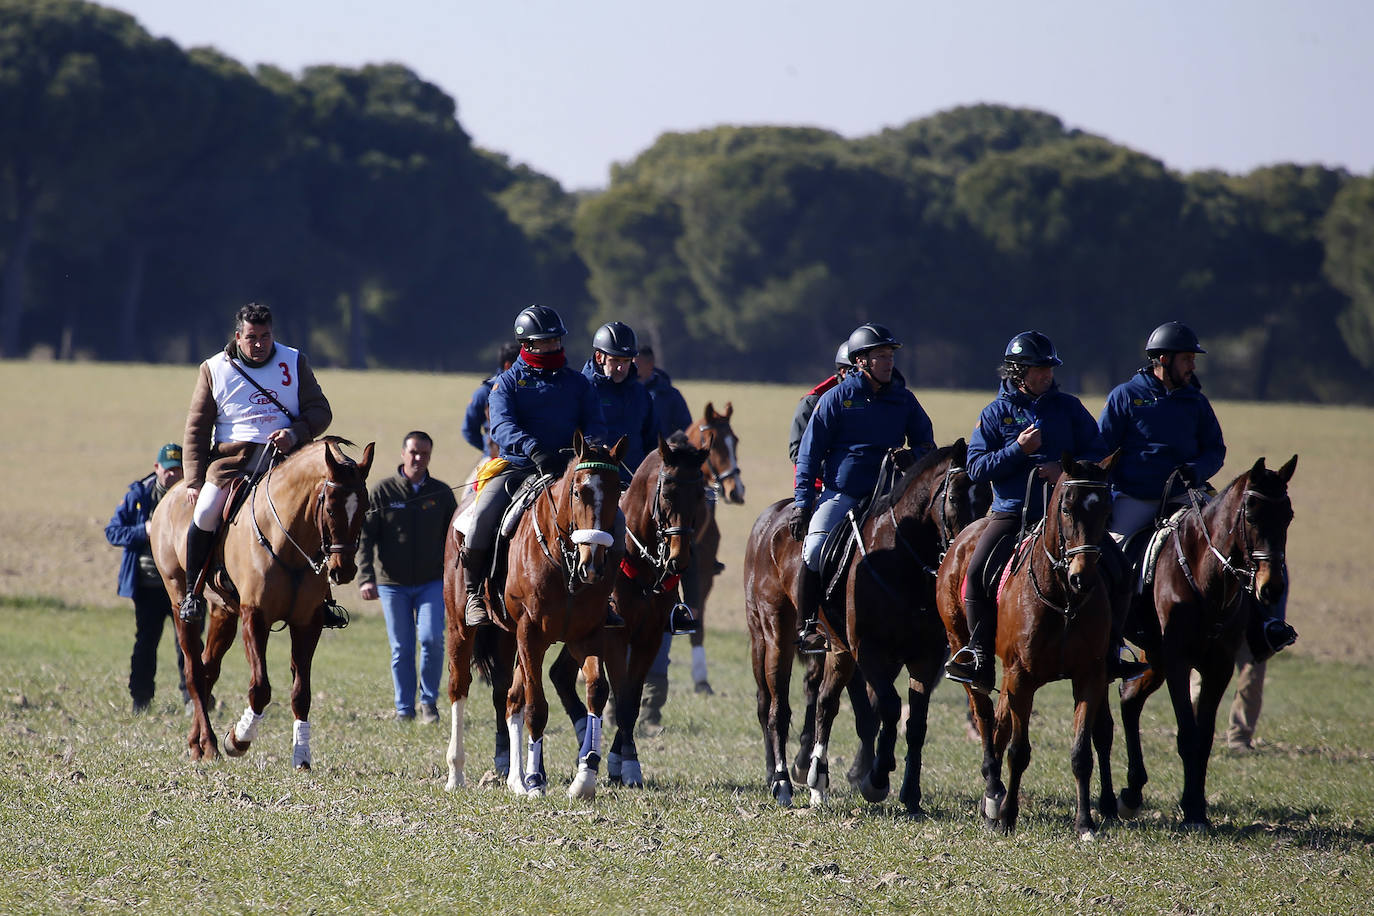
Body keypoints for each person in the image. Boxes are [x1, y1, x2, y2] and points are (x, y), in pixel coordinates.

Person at [944, 331, 1148, 693]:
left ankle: (1114, 648)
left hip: (1071, 519)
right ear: (1018, 372)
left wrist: (1063, 470)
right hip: (1011, 515)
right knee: (974, 576)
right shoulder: (994, 413)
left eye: (1050, 368)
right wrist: (1017, 452)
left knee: (1120, 570)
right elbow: (975, 468)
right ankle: (977, 654)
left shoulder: (1068, 407)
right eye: (1039, 369)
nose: (1047, 375)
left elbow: (1098, 452)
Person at [1098, 320, 1297, 656]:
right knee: (1107, 562)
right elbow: (1102, 448)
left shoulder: (1196, 401)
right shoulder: (1125, 397)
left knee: (1249, 544)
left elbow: (1215, 449)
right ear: (1163, 360)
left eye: (1193, 359)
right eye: (1187, 358)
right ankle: (1109, 644)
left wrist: (1195, 469)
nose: (1192, 365)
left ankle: (1267, 626)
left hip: (1186, 496)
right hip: (1134, 499)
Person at [460, 304, 622, 628]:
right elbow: (501, 426)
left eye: (556, 341)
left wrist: (586, 449)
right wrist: (533, 448)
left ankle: (604, 598)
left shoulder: (579, 384)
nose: (553, 346)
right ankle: (474, 593)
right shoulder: (507, 383)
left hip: (572, 470)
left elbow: (596, 424)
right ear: (527, 344)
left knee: (616, 521)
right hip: (519, 466)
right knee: (482, 518)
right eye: (545, 342)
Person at [177, 302, 339, 626]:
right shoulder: (213, 369)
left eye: (265, 336)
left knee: (321, 513)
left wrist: (295, 434)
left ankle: (324, 599)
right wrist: (194, 481)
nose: (259, 344)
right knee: (206, 512)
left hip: (287, 463)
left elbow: (321, 411)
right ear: (238, 336)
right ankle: (194, 594)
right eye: (252, 337)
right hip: (232, 464)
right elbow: (196, 428)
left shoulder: (294, 361)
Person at [790, 323, 935, 653]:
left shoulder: (904, 400)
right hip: (843, 495)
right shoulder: (835, 399)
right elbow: (809, 454)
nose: (888, 362)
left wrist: (913, 455)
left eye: (890, 356)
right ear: (861, 362)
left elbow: (926, 443)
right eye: (881, 356)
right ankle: (807, 626)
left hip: (891, 497)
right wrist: (802, 503)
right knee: (813, 550)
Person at [356, 431, 458, 724]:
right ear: (403, 454)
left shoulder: (440, 493)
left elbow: (454, 540)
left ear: (429, 457)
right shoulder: (383, 492)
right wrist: (366, 577)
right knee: (401, 647)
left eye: (424, 454)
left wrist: (454, 579)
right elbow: (365, 538)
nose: (418, 458)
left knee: (431, 640)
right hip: (392, 585)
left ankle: (428, 703)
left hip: (432, 583)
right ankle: (404, 709)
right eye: (413, 452)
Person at [105, 443, 191, 715]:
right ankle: (141, 699)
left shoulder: (191, 496)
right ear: (157, 469)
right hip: (148, 587)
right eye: (168, 470)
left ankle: (193, 698)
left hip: (183, 589)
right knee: (146, 643)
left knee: (188, 645)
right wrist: (144, 530)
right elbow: (113, 532)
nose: (173, 476)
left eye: (179, 470)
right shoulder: (139, 495)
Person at [583, 321, 657, 473]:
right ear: (599, 357)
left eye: (626, 361)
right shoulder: (581, 389)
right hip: (595, 484)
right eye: (615, 360)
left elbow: (652, 441)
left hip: (635, 483)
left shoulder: (641, 394)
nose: (620, 368)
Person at [789, 341, 853, 466]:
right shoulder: (813, 402)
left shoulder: (875, 399)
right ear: (843, 371)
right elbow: (797, 452)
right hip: (823, 483)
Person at [462, 342, 521, 456]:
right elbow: (468, 430)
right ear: (508, 365)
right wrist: (487, 448)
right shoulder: (485, 392)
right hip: (494, 456)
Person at [635, 344, 693, 441]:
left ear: (650, 364)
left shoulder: (671, 396)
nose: (631, 369)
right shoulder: (624, 392)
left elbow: (686, 429)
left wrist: (668, 445)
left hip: (662, 453)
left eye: (636, 365)